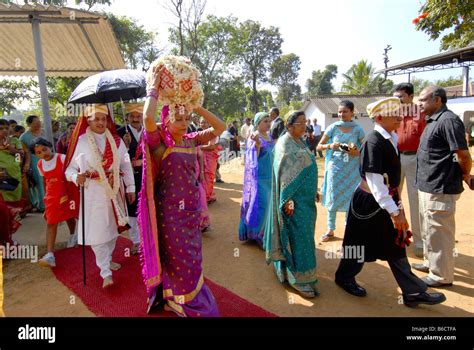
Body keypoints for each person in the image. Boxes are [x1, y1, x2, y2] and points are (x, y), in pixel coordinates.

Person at [334, 97, 446, 308]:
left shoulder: (391, 136)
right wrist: (395, 212)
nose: (400, 119)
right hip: (368, 204)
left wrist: (396, 207)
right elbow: (375, 182)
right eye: (395, 116)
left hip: (386, 201)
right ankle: (344, 278)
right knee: (357, 244)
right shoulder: (373, 141)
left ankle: (412, 292)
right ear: (379, 118)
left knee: (395, 245)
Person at [138, 63, 225, 317]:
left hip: (190, 210)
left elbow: (219, 128)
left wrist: (193, 102)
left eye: (187, 118)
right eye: (179, 118)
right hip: (170, 214)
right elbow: (146, 119)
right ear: (166, 119)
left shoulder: (192, 139)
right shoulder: (159, 145)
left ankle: (182, 295)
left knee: (193, 257)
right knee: (178, 257)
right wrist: (153, 88)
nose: (185, 122)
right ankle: (177, 298)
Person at [65, 104, 136, 289]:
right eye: (96, 118)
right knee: (97, 233)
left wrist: (131, 187)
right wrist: (75, 177)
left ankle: (108, 259)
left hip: (114, 191)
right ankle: (105, 272)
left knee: (113, 229)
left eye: (104, 119)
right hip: (92, 194)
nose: (100, 122)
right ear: (88, 120)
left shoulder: (117, 141)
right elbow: (70, 169)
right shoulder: (80, 141)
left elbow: (126, 164)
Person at [413, 86, 472, 287]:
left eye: (423, 100)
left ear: (437, 100)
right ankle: (431, 263)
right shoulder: (433, 120)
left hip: (441, 186)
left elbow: (462, 154)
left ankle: (441, 276)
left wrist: (464, 173)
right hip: (428, 185)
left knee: (439, 232)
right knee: (429, 229)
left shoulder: (448, 121)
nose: (419, 104)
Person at [264, 111, 319, 299]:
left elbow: (307, 167)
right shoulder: (284, 145)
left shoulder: (300, 141)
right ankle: (298, 279)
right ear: (289, 125)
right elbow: (284, 177)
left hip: (307, 203)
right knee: (297, 239)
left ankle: (305, 276)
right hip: (293, 204)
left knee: (305, 238)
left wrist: (314, 190)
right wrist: (287, 200)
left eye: (305, 123)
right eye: (300, 123)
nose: (304, 126)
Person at [317, 100, 365, 242]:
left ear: (352, 112)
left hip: (351, 170)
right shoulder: (333, 127)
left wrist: (355, 152)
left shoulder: (358, 129)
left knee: (351, 198)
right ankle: (330, 229)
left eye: (344, 111)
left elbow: (365, 149)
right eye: (339, 112)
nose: (341, 114)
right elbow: (319, 146)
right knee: (333, 197)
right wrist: (331, 145)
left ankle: (348, 229)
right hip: (335, 168)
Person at [32, 138, 78, 267]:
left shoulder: (62, 158)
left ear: (50, 147)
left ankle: (73, 235)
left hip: (66, 194)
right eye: (39, 152)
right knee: (51, 222)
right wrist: (45, 197)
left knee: (69, 216)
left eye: (44, 149)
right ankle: (50, 254)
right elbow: (45, 182)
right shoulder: (40, 164)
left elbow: (72, 174)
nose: (43, 153)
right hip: (51, 197)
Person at [394, 83, 426, 258]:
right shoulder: (394, 115)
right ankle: (396, 236)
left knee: (415, 201)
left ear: (411, 96)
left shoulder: (421, 116)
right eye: (396, 97)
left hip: (415, 159)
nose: (398, 101)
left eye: (401, 97)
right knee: (392, 199)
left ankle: (420, 243)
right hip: (396, 159)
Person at [239, 112, 274, 247]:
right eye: (265, 121)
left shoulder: (269, 136)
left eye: (269, 121)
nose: (268, 123)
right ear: (257, 123)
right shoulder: (253, 137)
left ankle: (262, 233)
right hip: (258, 178)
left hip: (270, 177)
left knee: (268, 207)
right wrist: (257, 144)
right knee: (261, 205)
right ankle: (257, 235)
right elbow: (253, 159)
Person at [117, 104, 144, 255]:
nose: (135, 119)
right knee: (132, 209)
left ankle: (148, 239)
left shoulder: (148, 132)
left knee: (147, 207)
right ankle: (136, 241)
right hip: (129, 178)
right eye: (132, 116)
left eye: (138, 116)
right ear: (126, 118)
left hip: (147, 176)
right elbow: (115, 157)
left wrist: (143, 162)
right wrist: (125, 147)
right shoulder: (120, 133)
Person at [20, 115, 45, 212]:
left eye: (39, 122)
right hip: (34, 162)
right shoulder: (24, 137)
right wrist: (26, 165)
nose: (38, 124)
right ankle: (42, 205)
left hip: (47, 160)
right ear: (29, 124)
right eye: (35, 122)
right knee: (39, 183)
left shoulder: (44, 131)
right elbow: (24, 153)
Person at [0, 119, 23, 205]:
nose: (4, 130)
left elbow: (20, 155)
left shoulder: (14, 141)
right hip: (1, 174)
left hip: (14, 173)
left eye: (6, 128)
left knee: (14, 196)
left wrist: (16, 163)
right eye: (1, 128)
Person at [199, 117, 220, 205]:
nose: (203, 124)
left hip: (210, 158)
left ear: (209, 123)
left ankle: (207, 197)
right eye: (202, 122)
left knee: (209, 177)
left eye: (205, 122)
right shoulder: (199, 134)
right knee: (201, 177)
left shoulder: (213, 133)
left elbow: (211, 147)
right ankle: (209, 196)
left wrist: (197, 147)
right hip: (200, 158)